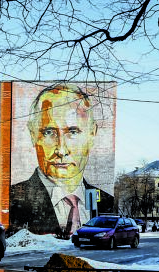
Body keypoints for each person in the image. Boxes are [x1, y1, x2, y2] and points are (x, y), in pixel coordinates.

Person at [10, 84, 107, 236]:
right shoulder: (14, 200)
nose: (61, 150)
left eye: (73, 132)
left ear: (92, 134)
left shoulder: (106, 203)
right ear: (33, 135)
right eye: (49, 132)